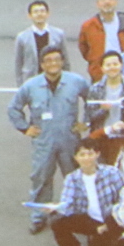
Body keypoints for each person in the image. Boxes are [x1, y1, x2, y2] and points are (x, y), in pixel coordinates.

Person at [9, 45, 92, 234]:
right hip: (43, 141)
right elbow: (13, 108)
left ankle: (77, 214)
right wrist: (25, 128)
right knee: (41, 178)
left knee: (75, 177)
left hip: (70, 139)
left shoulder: (76, 81)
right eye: (48, 60)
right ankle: (39, 216)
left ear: (62, 62)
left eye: (56, 59)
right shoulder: (31, 85)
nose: (53, 63)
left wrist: (85, 122)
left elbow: (93, 99)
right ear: (42, 64)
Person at [49, 139, 124, 246]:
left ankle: (102, 242)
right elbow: (67, 203)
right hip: (90, 221)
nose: (86, 158)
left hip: (111, 219)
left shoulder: (112, 172)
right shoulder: (72, 178)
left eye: (90, 154)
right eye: (82, 155)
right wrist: (55, 208)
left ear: (97, 154)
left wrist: (110, 223)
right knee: (57, 222)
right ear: (76, 158)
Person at [14, 0, 70, 85]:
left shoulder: (59, 34)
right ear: (29, 15)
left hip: (55, 79)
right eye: (36, 12)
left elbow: (65, 60)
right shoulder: (22, 37)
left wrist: (66, 80)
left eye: (42, 11)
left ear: (48, 14)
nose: (39, 14)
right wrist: (20, 85)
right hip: (31, 80)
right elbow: (18, 63)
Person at [76, 0, 124, 69]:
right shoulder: (88, 26)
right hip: (100, 70)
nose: (107, 2)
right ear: (97, 4)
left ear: (116, 2)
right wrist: (94, 60)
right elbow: (84, 48)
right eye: (103, 0)